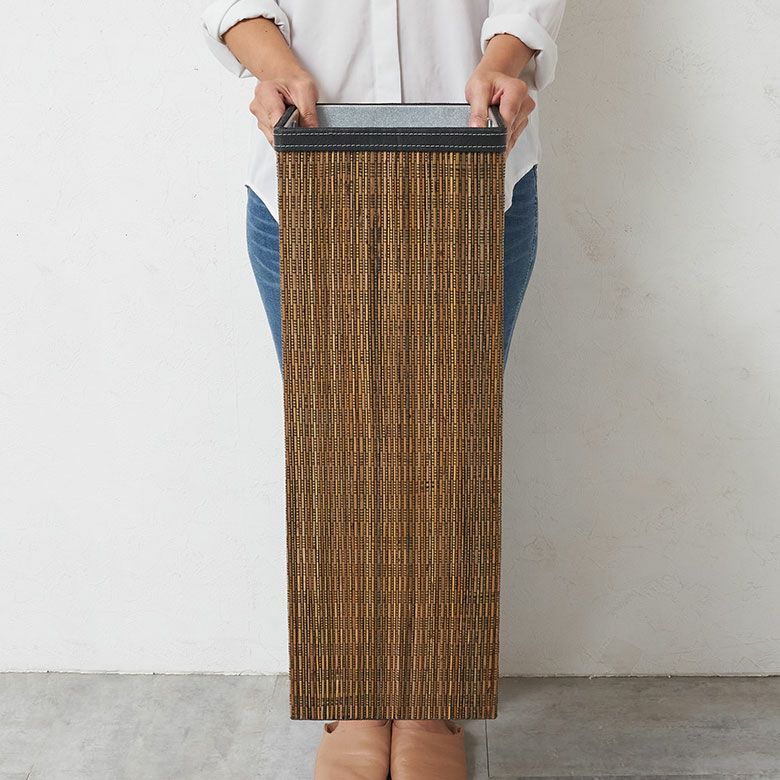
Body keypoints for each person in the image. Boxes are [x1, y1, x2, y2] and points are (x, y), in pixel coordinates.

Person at [200, 1, 566, 777]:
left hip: (476, 160)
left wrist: (506, 57)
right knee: (334, 446)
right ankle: (355, 697)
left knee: (449, 444)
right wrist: (271, 64)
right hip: (305, 167)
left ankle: (430, 698)